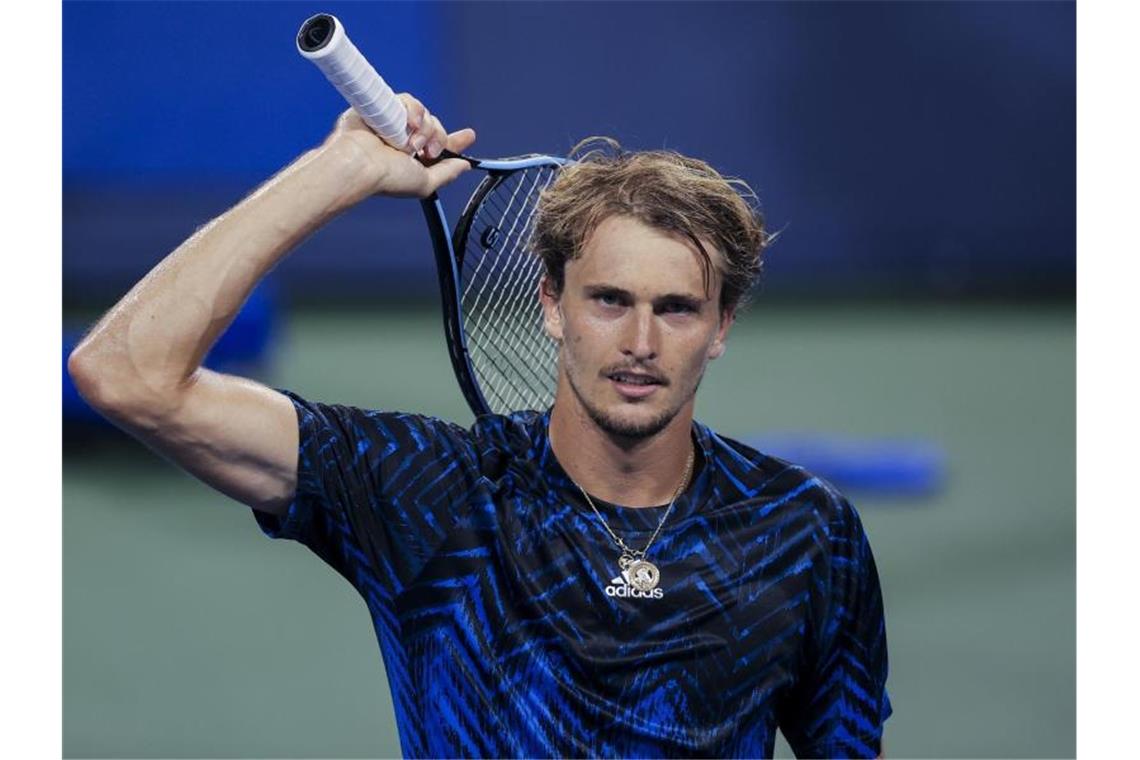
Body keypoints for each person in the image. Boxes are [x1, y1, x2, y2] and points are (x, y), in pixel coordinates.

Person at [69, 95, 892, 758]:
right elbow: (126, 374)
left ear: (721, 327)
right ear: (551, 306)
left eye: (676, 309)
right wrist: (338, 170)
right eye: (609, 300)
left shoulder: (807, 533)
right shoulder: (430, 493)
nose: (641, 344)